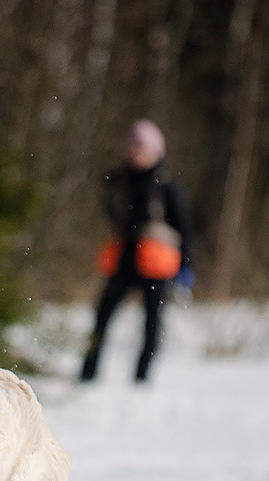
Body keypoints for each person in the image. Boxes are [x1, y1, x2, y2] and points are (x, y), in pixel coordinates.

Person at [80, 119, 194, 383]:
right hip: (125, 259)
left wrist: (187, 266)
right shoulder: (119, 181)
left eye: (142, 148)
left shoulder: (167, 186)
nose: (135, 154)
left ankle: (142, 377)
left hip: (157, 265)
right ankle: (88, 372)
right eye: (132, 148)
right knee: (102, 314)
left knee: (152, 324)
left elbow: (185, 228)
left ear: (156, 151)